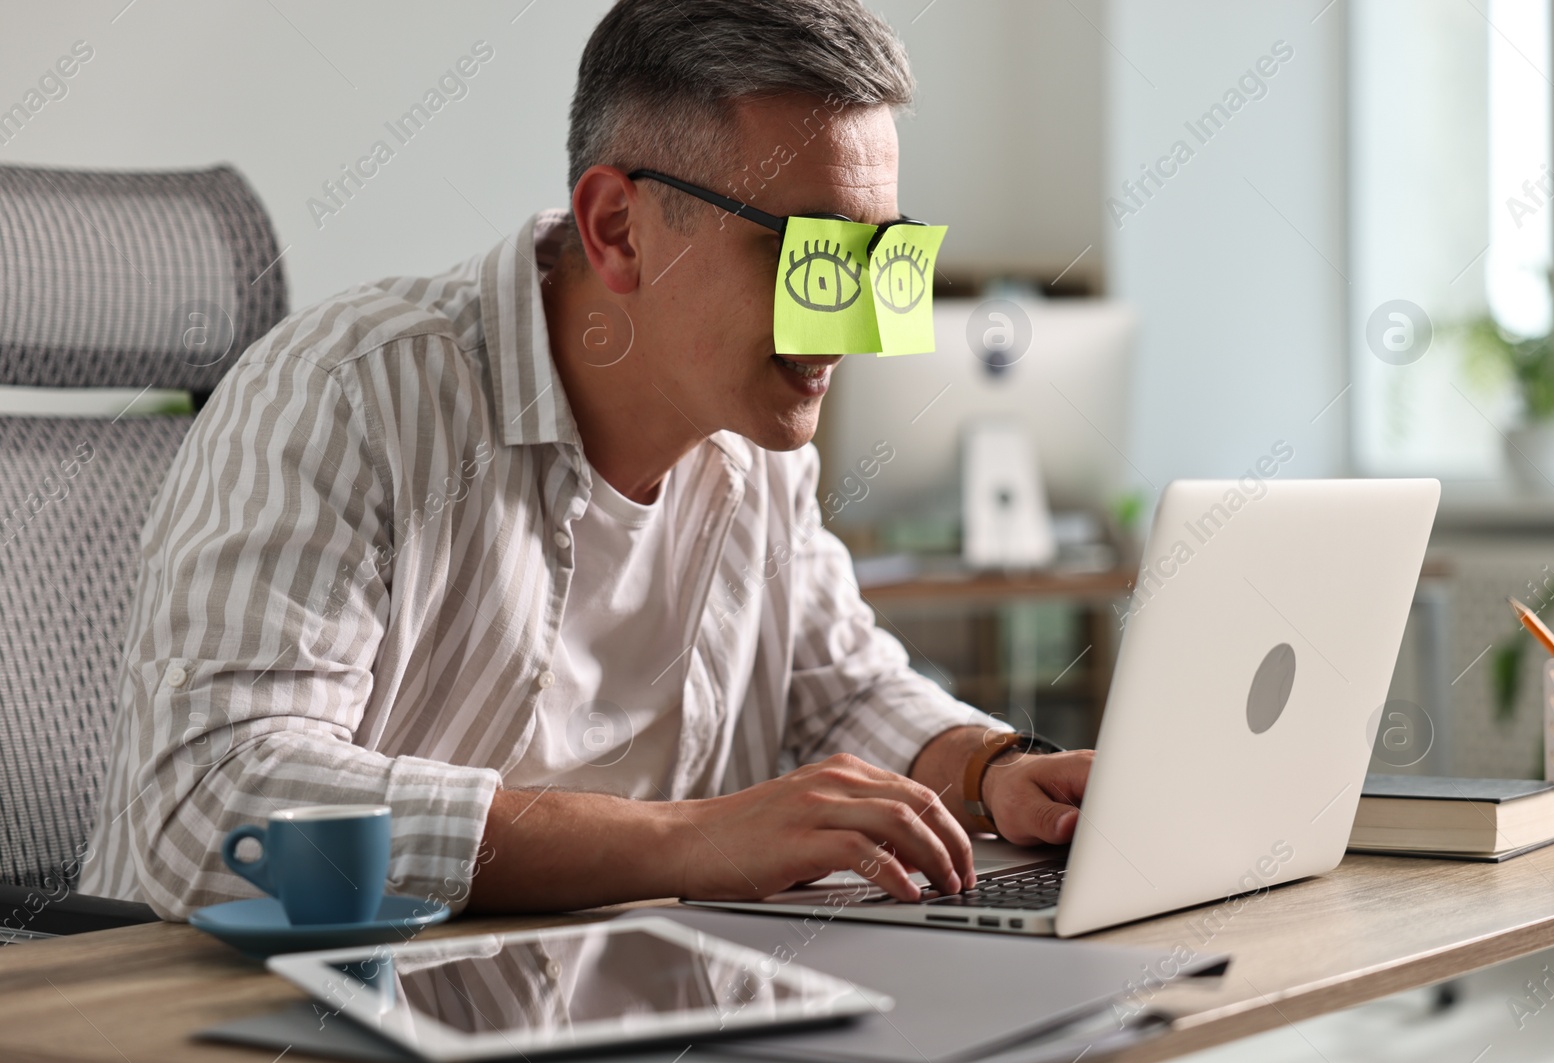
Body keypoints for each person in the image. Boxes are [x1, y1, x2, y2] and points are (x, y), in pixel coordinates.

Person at [81, 0, 1094, 919]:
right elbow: (214, 804)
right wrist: (694, 841)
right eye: (811, 257)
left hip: (592, 987)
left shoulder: (755, 432)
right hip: (252, 1007)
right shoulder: (349, 396)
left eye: (883, 260)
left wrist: (990, 765)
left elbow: (836, 684)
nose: (854, 326)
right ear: (618, 228)